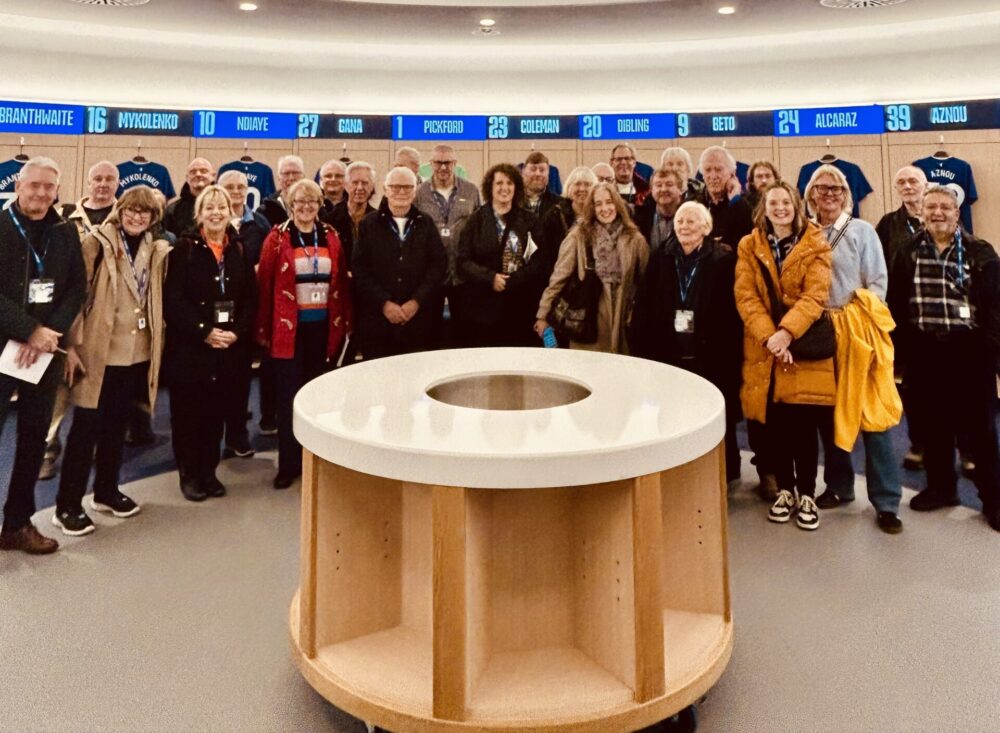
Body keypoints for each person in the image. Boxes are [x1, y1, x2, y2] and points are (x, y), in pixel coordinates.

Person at [53, 186, 171, 535]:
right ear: (120, 210)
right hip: (96, 352)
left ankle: (106, 491)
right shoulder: (95, 244)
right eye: (132, 210)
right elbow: (76, 297)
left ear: (153, 219)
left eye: (145, 213)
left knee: (117, 427)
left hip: (134, 354)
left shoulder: (155, 249)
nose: (137, 217)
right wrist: (71, 346)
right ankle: (67, 505)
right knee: (84, 429)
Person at [887, 185, 1000, 533]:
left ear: (957, 213)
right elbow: (896, 302)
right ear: (921, 211)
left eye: (945, 208)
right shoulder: (905, 251)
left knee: (980, 431)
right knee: (932, 425)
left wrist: (991, 352)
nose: (938, 213)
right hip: (924, 350)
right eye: (931, 207)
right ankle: (941, 488)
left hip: (969, 350)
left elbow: (996, 309)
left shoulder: (981, 253)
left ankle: (994, 500)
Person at [803, 164, 903, 534]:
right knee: (830, 414)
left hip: (858, 332)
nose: (829, 195)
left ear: (846, 196)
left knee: (871, 416)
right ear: (811, 194)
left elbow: (878, 283)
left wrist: (853, 318)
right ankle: (839, 486)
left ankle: (887, 500)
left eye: (836, 189)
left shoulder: (862, 232)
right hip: (818, 333)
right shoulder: (806, 234)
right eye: (821, 188)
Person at [734, 181, 834, 530]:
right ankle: (785, 491)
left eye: (785, 202)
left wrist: (786, 333)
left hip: (802, 344)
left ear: (796, 206)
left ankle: (807, 492)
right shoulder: (749, 245)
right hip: (765, 348)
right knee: (773, 425)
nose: (780, 208)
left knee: (803, 425)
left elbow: (815, 296)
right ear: (764, 208)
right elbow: (747, 297)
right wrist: (770, 338)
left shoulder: (816, 244)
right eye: (773, 203)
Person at [0, 157, 86, 555]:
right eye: (34, 185)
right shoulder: (1, 227)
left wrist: (47, 333)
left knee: (35, 439)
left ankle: (17, 524)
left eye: (48, 187)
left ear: (57, 190)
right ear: (19, 186)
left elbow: (76, 289)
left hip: (45, 352)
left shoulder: (65, 232)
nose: (40, 193)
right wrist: (27, 330)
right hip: (4, 346)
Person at [629, 201, 742, 483]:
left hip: (710, 353)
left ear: (706, 227)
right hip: (669, 353)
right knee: (673, 414)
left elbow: (731, 315)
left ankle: (723, 474)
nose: (684, 226)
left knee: (714, 415)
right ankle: (678, 471)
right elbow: (644, 305)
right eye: (680, 221)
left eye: (692, 221)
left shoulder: (723, 261)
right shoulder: (661, 258)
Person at [255, 179, 351, 489]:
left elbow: (341, 284)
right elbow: (265, 286)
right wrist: (264, 331)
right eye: (300, 202)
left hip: (322, 331)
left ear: (319, 205)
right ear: (291, 205)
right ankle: (288, 464)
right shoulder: (277, 237)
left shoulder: (331, 237)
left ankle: (316, 462)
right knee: (289, 401)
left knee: (318, 401)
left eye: (312, 202)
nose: (306, 207)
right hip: (288, 332)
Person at [163, 185, 256, 501]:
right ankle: (189, 475)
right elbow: (173, 300)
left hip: (228, 348)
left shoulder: (238, 249)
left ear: (230, 211)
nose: (216, 213)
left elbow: (250, 300)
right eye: (209, 208)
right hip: (192, 347)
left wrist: (237, 332)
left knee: (216, 414)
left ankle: (209, 471)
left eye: (222, 207)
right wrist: (204, 330)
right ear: (199, 214)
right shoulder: (185, 249)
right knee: (189, 414)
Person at [39, 160, 121, 481]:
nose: (102, 184)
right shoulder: (63, 218)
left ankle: (97, 441)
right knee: (60, 382)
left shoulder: (125, 218)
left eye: (109, 179)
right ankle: (48, 447)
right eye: (97, 179)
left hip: (107, 314)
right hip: (65, 309)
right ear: (87, 182)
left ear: (117, 184)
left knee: (102, 382)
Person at [535, 182, 649, 353]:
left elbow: (646, 282)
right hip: (590, 317)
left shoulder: (635, 239)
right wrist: (542, 315)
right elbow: (559, 277)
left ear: (617, 204)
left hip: (623, 316)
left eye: (609, 202)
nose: (605, 208)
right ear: (592, 208)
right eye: (598, 204)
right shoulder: (578, 236)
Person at [352, 167, 446, 359]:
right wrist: (385, 303)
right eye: (395, 187)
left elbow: (437, 266)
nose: (401, 192)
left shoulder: (426, 224)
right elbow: (360, 269)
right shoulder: (368, 225)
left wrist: (416, 301)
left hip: (418, 321)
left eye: (407, 187)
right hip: (379, 322)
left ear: (416, 190)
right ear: (385, 190)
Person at [876, 165, 929, 471]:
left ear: (925, 184)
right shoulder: (888, 224)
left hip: (941, 319)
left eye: (913, 181)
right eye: (902, 182)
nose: (908, 186)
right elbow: (879, 269)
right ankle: (919, 445)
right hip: (904, 321)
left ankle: (967, 450)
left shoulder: (941, 213)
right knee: (913, 387)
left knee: (953, 387)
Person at [218, 169, 272, 460]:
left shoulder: (260, 223)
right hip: (213, 315)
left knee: (240, 378)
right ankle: (210, 438)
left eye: (241, 186)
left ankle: (237, 437)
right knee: (213, 380)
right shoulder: (211, 219)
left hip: (246, 312)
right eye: (230, 187)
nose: (237, 191)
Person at [456, 164, 538, 347]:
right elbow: (462, 262)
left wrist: (515, 280)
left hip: (520, 306)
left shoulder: (529, 220)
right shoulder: (475, 221)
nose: (504, 188)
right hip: (483, 309)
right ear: (490, 187)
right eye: (499, 183)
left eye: (510, 183)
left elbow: (539, 261)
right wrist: (489, 278)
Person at [413, 145, 481, 347]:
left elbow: (479, 228)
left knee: (464, 332)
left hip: (462, 274)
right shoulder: (420, 193)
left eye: (447, 162)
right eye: (438, 163)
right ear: (431, 164)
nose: (443, 168)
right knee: (430, 332)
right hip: (431, 275)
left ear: (455, 164)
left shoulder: (471, 191)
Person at [320, 160, 377, 267]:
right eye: (355, 183)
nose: (360, 188)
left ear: (372, 187)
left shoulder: (379, 221)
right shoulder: (329, 221)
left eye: (365, 183)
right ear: (345, 185)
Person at [700, 146, 753, 246]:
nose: (713, 176)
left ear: (732, 173)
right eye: (707, 170)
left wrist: (736, 201)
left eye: (718, 169)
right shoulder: (693, 205)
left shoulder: (746, 204)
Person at [635, 167, 684, 254]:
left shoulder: (692, 216)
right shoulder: (639, 218)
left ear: (680, 189)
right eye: (658, 185)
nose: (664, 189)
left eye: (669, 184)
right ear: (651, 190)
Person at [162, 157, 215, 237]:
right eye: (193, 172)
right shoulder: (173, 211)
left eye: (203, 171)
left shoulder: (224, 207)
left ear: (213, 176)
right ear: (187, 178)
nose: (198, 174)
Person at [259, 154, 305, 228]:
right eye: (286, 173)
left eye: (295, 173)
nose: (291, 178)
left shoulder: (315, 206)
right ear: (278, 177)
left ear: (303, 176)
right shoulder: (266, 209)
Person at [522, 151, 561, 220]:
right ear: (523, 173)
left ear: (548, 174)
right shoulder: (512, 202)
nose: (537, 174)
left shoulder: (559, 205)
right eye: (533, 169)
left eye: (542, 170)